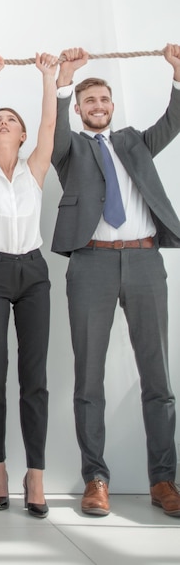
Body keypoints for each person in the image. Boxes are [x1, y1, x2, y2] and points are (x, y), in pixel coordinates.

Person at [51, 45, 180, 517]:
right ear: (82, 110)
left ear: (112, 105)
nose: (99, 107)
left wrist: (178, 73)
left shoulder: (134, 142)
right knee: (89, 378)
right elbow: (55, 130)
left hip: (145, 262)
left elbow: (174, 117)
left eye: (104, 100)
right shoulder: (69, 150)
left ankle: (164, 481)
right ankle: (96, 479)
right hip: (91, 263)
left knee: (158, 376)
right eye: (90, 102)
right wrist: (65, 80)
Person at [0, 52, 58, 518]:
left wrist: (48, 78)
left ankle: (35, 473)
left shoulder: (35, 168)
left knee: (34, 378)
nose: (3, 122)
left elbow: (48, 126)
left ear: (21, 135)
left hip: (34, 274)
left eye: (10, 120)